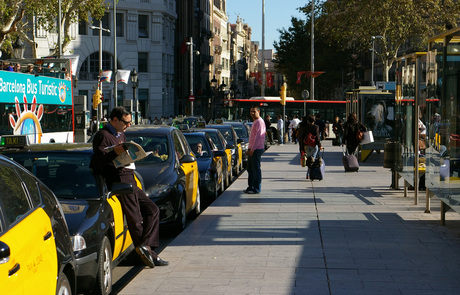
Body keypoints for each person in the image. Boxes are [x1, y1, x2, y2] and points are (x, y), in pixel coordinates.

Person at [90, 106, 168, 268]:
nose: (128, 125)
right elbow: (98, 161)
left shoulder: (120, 134)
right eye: (126, 122)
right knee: (135, 220)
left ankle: (146, 247)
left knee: (152, 210)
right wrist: (115, 153)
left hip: (130, 178)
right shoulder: (103, 136)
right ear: (115, 120)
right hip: (120, 181)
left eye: (130, 122)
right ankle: (149, 255)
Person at [244, 106, 266, 194]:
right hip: (252, 148)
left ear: (258, 111)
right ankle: (251, 186)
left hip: (256, 149)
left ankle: (256, 188)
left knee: (256, 169)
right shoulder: (255, 122)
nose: (252, 113)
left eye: (254, 111)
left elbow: (258, 137)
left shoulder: (259, 122)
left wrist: (252, 149)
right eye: (251, 111)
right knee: (250, 168)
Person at [297, 115, 322, 179]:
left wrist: (302, 148)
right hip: (314, 146)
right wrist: (320, 145)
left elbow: (301, 138)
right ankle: (310, 174)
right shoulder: (316, 127)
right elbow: (317, 137)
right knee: (312, 160)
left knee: (309, 160)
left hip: (306, 146)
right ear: (314, 121)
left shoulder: (304, 127)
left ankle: (308, 173)